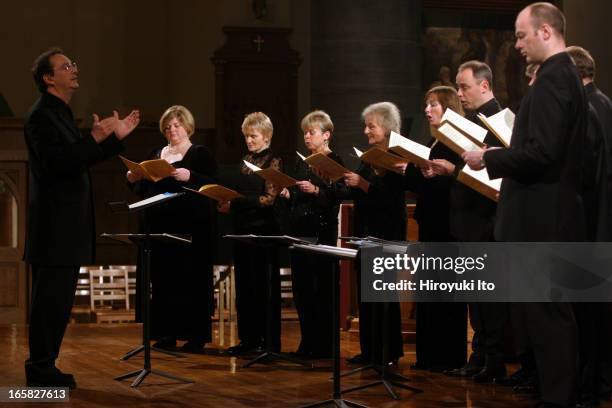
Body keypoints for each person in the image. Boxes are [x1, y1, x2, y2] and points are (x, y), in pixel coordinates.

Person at [463, 3, 588, 407]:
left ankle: (558, 399)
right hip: (548, 216)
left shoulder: (553, 79)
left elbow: (543, 152)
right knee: (549, 318)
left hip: (541, 220)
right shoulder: (561, 76)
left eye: (521, 34)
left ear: (546, 31)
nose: (516, 44)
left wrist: (490, 159)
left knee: (549, 319)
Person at [24, 47, 140, 388]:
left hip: (65, 227)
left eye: (73, 64)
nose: (74, 69)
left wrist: (112, 139)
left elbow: (78, 159)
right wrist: (95, 137)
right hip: (53, 228)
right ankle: (40, 370)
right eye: (65, 66)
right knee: (49, 303)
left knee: (58, 303)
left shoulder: (59, 113)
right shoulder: (41, 116)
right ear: (49, 78)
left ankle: (45, 367)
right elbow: (58, 165)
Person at [429, 61, 507, 383]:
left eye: (465, 87)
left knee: (489, 298)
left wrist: (453, 171)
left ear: (485, 86)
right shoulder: (471, 121)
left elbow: (498, 174)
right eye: (458, 88)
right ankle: (479, 357)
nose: (459, 94)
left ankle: (494, 361)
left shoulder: (499, 122)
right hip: (467, 220)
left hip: (485, 221)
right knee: (477, 297)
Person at [127, 105, 218, 353]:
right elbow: (145, 189)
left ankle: (195, 336)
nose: (172, 130)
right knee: (163, 281)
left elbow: (213, 184)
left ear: (187, 126)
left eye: (177, 125)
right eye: (167, 127)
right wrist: (134, 178)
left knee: (190, 281)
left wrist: (191, 176)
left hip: (190, 229)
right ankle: (165, 334)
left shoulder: (199, 153)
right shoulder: (157, 153)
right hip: (159, 226)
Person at [401, 87, 467, 372]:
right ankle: (429, 356)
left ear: (449, 108)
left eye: (433, 105)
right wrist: (411, 171)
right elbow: (428, 183)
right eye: (426, 105)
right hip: (431, 225)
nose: (427, 110)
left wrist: (421, 172)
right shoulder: (436, 140)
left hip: (447, 228)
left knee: (445, 296)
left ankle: (447, 357)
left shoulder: (456, 142)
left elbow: (459, 185)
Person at [566, 45, 612, 407]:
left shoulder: (585, 109)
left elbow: (584, 173)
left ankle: (590, 386)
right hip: (602, 222)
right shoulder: (605, 103)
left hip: (589, 222)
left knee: (589, 316)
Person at [280, 110, 347, 359]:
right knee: (303, 290)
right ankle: (307, 342)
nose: (307, 137)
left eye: (312, 132)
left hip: (321, 233)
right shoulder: (303, 162)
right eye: (305, 133)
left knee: (321, 290)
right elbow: (298, 196)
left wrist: (316, 190)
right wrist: (289, 195)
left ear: (326, 135)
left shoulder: (333, 160)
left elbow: (337, 196)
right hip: (300, 232)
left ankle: (324, 346)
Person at [343, 102, 405, 366]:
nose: (366, 131)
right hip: (366, 234)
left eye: (371, 126)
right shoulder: (368, 158)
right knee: (367, 295)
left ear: (387, 127)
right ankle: (369, 351)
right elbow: (361, 192)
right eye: (366, 125)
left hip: (387, 235)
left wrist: (363, 184)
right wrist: (348, 180)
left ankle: (387, 352)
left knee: (384, 295)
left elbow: (391, 199)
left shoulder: (398, 158)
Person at [221, 112, 283, 355]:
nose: (249, 140)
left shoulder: (273, 160)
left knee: (262, 288)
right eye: (246, 136)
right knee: (245, 287)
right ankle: (248, 340)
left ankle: (267, 343)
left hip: (264, 233)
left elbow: (269, 199)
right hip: (243, 230)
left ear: (266, 136)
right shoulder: (245, 159)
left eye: (253, 136)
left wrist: (235, 203)